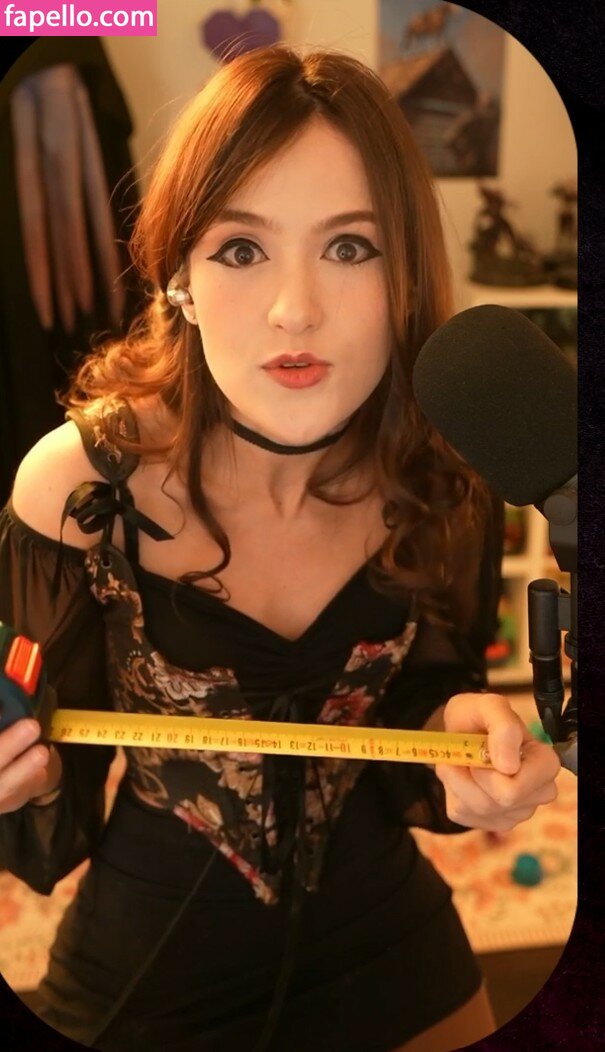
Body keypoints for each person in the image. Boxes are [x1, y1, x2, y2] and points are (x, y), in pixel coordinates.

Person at [0, 45, 561, 1052]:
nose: (293, 307)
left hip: (391, 938)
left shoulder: (447, 472)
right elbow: (49, 794)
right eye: (239, 249)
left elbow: (421, 703)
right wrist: (22, 768)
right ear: (177, 275)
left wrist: (462, 733)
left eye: (348, 246)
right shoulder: (79, 489)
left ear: (403, 273)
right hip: (150, 959)